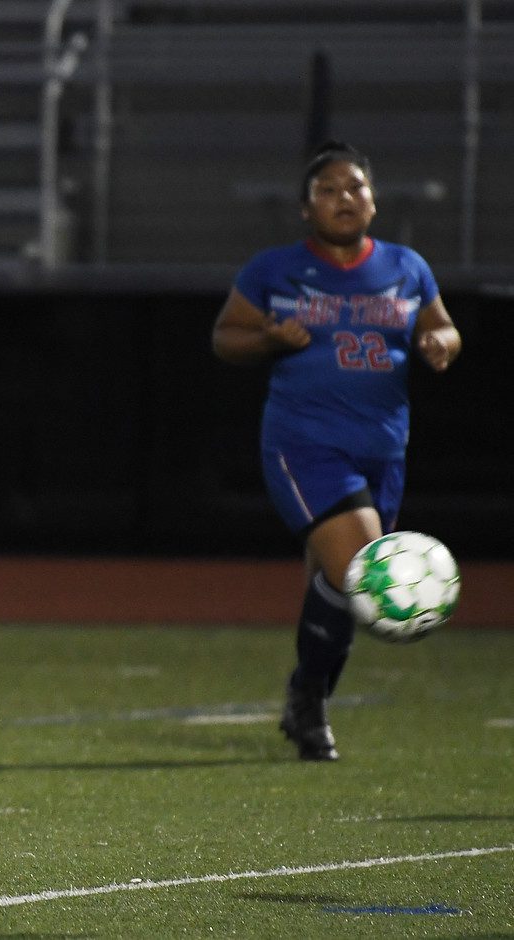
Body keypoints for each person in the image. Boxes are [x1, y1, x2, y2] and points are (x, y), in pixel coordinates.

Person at [211, 141, 462, 761]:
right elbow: (225, 337)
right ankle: (311, 699)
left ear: (373, 200)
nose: (344, 198)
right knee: (358, 570)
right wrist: (268, 336)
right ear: (305, 209)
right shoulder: (275, 270)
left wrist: (441, 342)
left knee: (338, 584)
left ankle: (307, 697)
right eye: (328, 189)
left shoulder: (407, 266)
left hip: (383, 449)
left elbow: (443, 325)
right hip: (304, 444)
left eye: (355, 187)